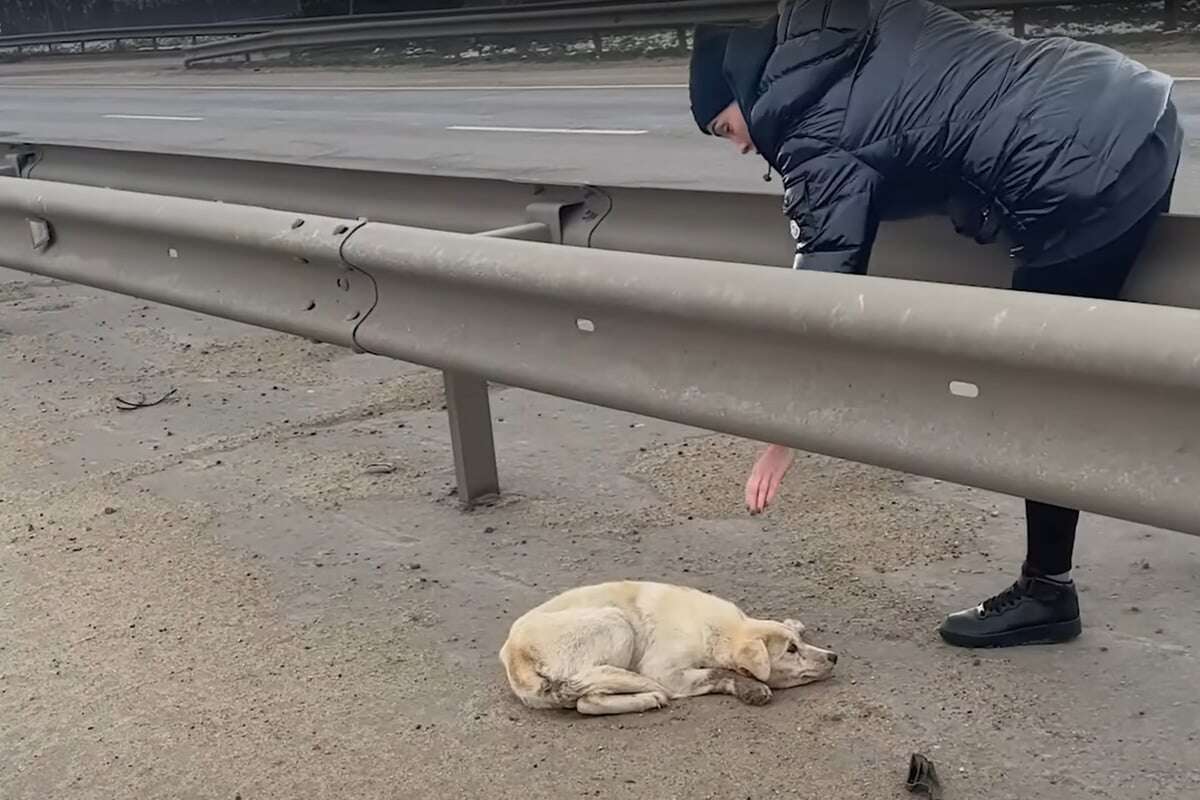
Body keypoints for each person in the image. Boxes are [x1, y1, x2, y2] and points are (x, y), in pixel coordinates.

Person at [688, 0, 1183, 649]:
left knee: (1044, 392)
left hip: (1072, 171)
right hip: (1132, 104)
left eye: (726, 128)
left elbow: (821, 294)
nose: (743, 145)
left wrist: (781, 429)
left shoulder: (808, 127)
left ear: (745, 93)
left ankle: (1047, 592)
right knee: (1153, 359)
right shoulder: (845, 24)